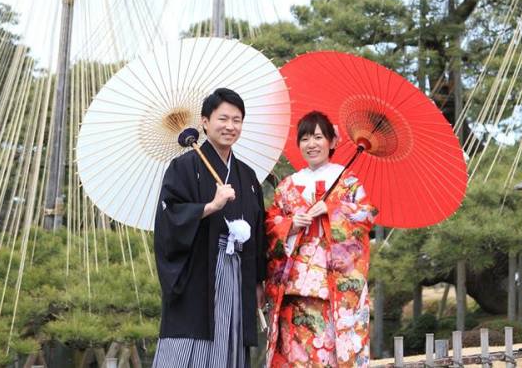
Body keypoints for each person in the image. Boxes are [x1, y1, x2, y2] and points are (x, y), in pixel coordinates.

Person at [153, 88, 266, 367]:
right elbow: (169, 218)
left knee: (230, 344)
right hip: (199, 273)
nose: (230, 126)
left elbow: (258, 230)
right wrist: (210, 206)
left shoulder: (247, 176)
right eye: (223, 119)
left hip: (238, 272)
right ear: (204, 122)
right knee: (191, 348)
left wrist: (257, 281)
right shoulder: (183, 167)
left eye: (237, 120)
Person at [264, 111, 377, 367]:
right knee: (293, 354)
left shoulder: (347, 182)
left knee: (330, 354)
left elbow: (365, 217)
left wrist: (332, 209)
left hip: (333, 287)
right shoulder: (288, 185)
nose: (311, 144)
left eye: (318, 137)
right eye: (305, 138)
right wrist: (292, 224)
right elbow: (270, 225)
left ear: (332, 142)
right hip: (294, 286)